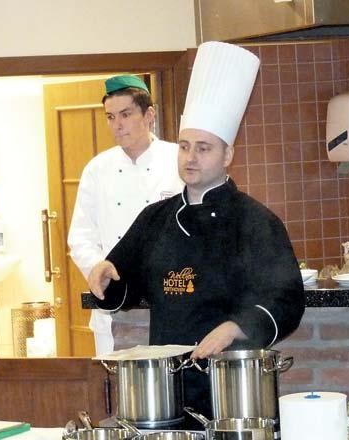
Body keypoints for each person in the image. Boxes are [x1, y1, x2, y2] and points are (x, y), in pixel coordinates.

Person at [88, 42, 305, 418]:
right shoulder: (155, 218)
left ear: (228, 155)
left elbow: (286, 298)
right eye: (185, 146)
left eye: (203, 148)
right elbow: (123, 284)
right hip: (166, 386)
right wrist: (105, 276)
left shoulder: (255, 221)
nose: (190, 158)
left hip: (234, 384)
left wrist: (236, 326)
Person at [67, 75, 182, 356]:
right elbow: (81, 236)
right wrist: (98, 270)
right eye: (110, 117)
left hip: (169, 298)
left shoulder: (178, 160)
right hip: (114, 300)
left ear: (149, 115)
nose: (117, 125)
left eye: (126, 114)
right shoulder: (97, 169)